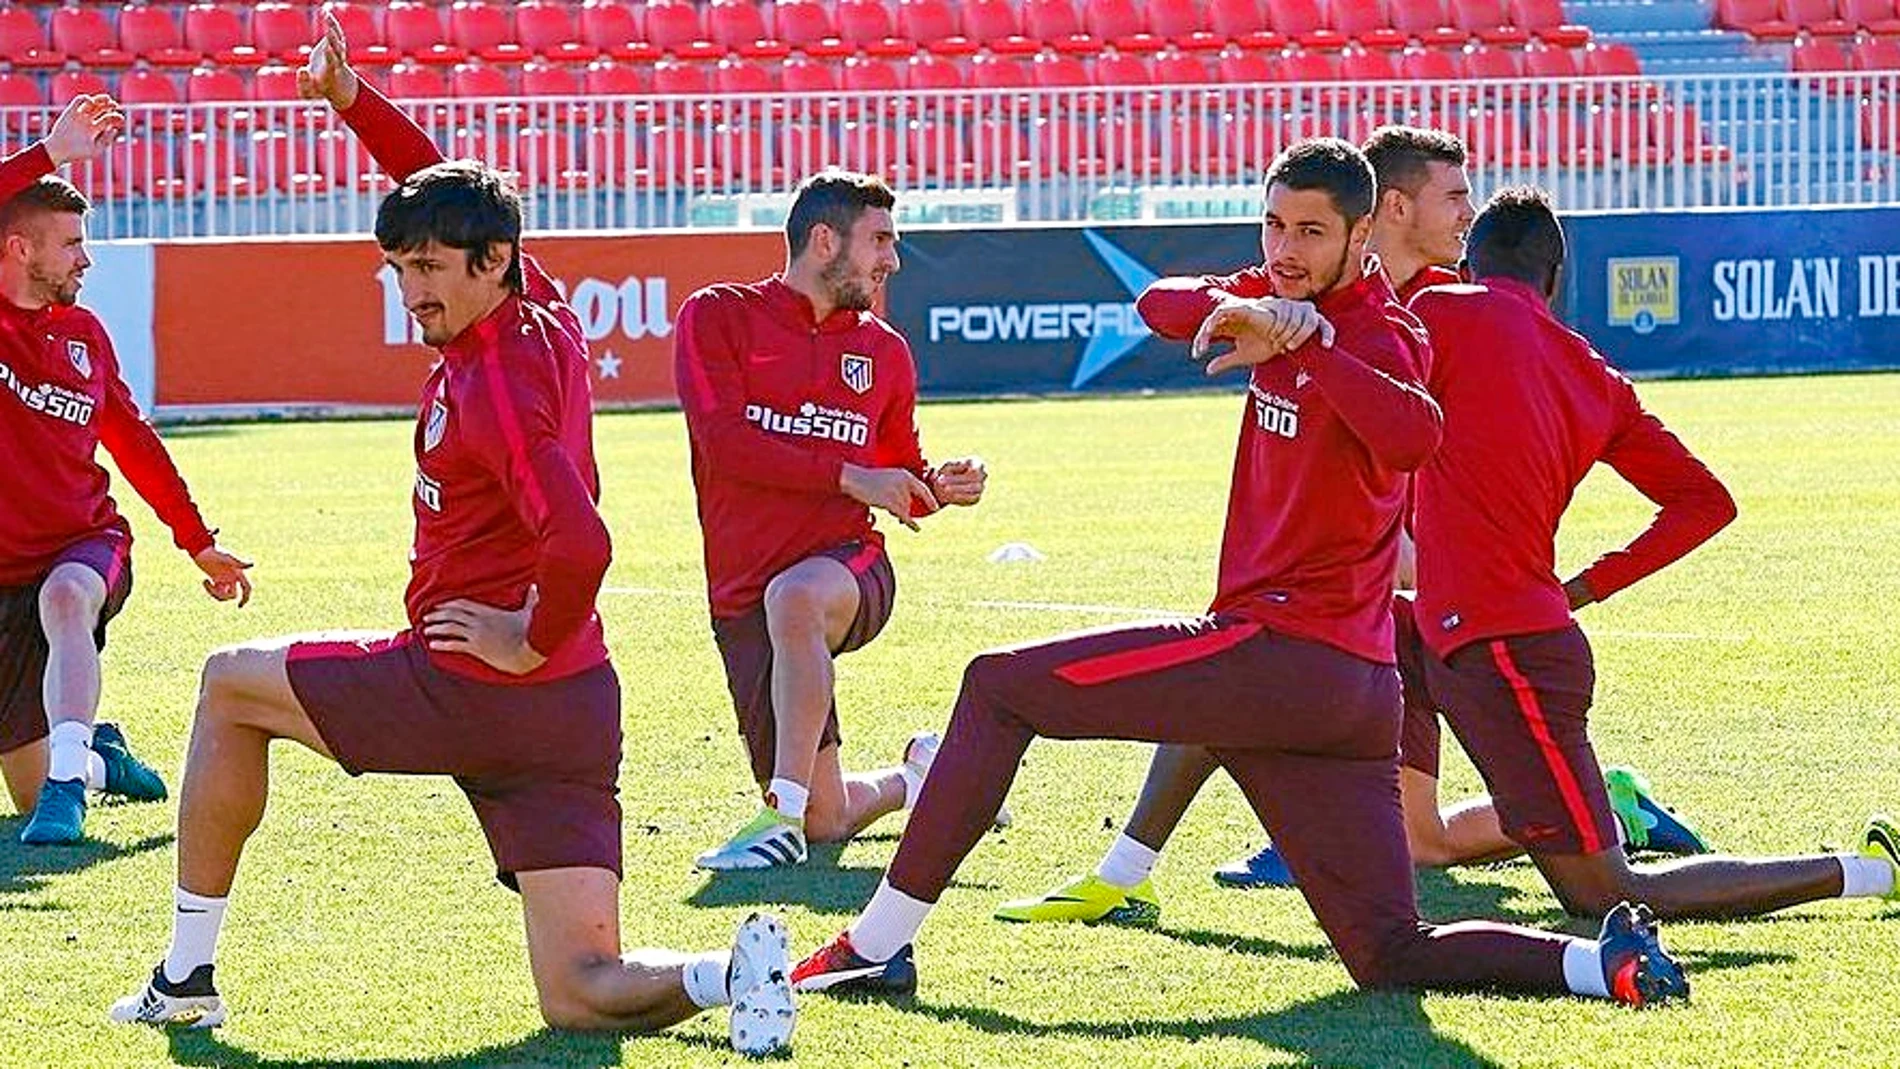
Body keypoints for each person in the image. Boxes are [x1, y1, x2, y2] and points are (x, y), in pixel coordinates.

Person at [789, 140, 1687, 1009]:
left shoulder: (1387, 329)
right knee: (1389, 948)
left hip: (1284, 656)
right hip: (1345, 693)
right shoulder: (1271, 294)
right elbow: (1160, 305)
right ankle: (1598, 961)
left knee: (996, 688)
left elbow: (1416, 433)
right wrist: (1250, 308)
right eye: (1273, 226)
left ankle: (873, 946)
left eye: (1309, 232)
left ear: (1362, 233)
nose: (1285, 250)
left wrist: (1308, 345)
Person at [110, 17, 796, 1055]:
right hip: (571, 704)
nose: (412, 288)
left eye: (429, 267)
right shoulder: (542, 307)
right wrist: (353, 104)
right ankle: (725, 972)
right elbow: (442, 180)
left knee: (227, 681)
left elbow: (581, 538)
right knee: (578, 988)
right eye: (398, 267)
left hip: (470, 683)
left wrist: (523, 633)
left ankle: (185, 974)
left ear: (491, 262)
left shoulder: (489, 383)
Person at [993, 127, 1701, 922]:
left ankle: (1177, 860)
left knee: (1251, 664)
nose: (1470, 211)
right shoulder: (1334, 290)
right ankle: (1153, 865)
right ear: (1393, 207)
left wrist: (1425, 538)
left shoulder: (1446, 307)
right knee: (1268, 682)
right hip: (1357, 563)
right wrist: (1246, 309)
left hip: (1427, 582)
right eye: (1454, 194)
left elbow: (1447, 430)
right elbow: (1173, 302)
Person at [1390, 186, 1898, 922]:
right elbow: (1705, 502)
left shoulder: (1438, 314)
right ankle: (1602, 804)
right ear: (1556, 279)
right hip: (1466, 631)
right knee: (1418, 840)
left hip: (1505, 648)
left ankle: (1869, 869)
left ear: (1471, 262)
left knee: (1608, 894)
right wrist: (1587, 587)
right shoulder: (1595, 375)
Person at [675, 170, 989, 872]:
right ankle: (919, 777)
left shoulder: (884, 351)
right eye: (879, 240)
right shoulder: (717, 315)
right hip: (739, 597)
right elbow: (724, 442)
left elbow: (903, 481)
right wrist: (856, 476)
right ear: (824, 241)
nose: (892, 260)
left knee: (798, 595)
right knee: (831, 818)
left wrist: (941, 484)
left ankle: (777, 816)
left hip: (847, 569)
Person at [0, 95, 253, 846]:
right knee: (24, 777)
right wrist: (49, 153)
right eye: (73, 241)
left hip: (81, 545)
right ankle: (95, 757)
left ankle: (69, 786)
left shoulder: (85, 336)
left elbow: (135, 442)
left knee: (70, 596)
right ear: (19, 248)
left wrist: (197, 539)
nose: (87, 256)